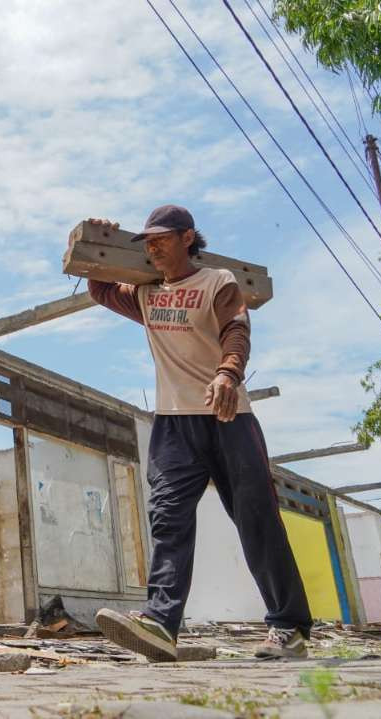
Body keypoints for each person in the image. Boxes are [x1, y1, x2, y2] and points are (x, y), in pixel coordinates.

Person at [88, 205, 312, 662]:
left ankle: (288, 627)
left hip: (227, 415)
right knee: (167, 517)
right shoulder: (145, 294)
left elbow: (236, 328)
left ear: (187, 238)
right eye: (146, 242)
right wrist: (101, 239)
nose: (152, 248)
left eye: (161, 239)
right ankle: (160, 623)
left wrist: (228, 374)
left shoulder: (217, 281)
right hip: (173, 423)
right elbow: (100, 287)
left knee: (256, 521)